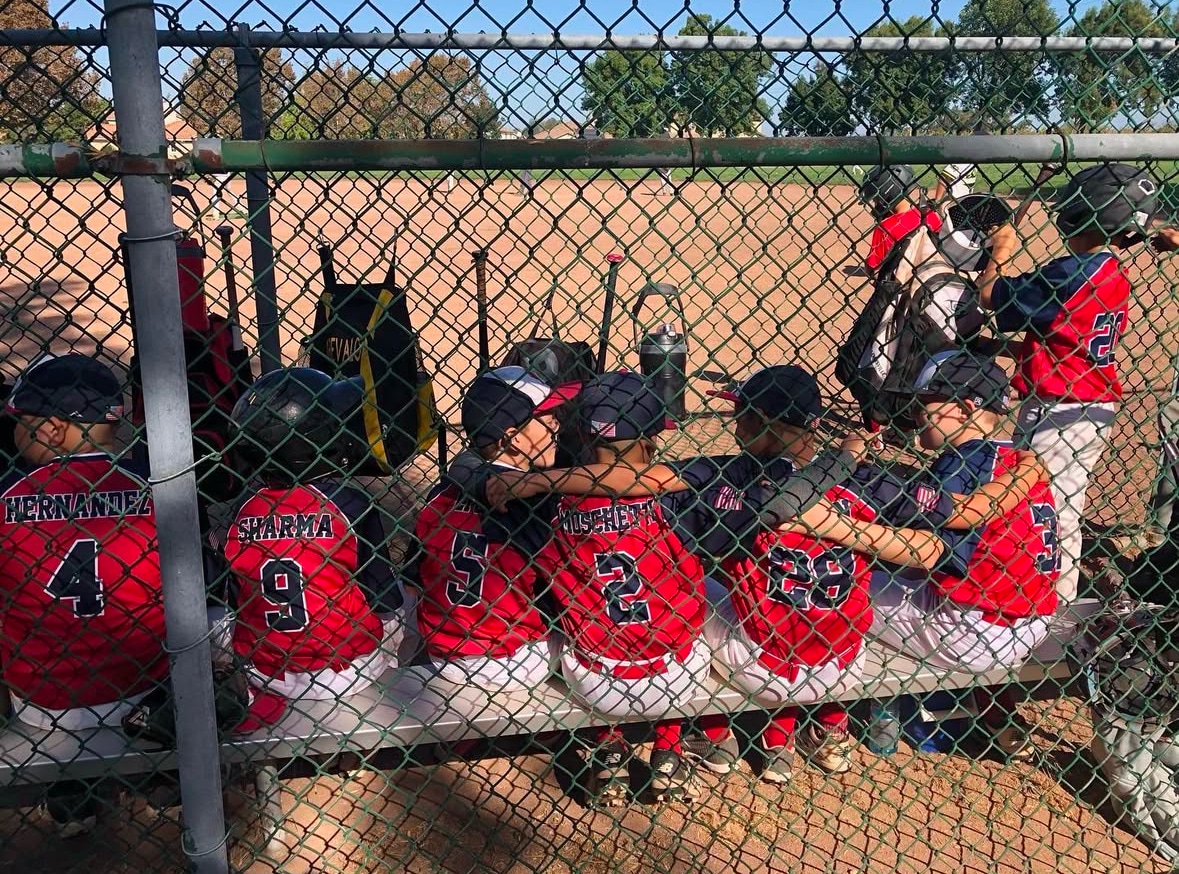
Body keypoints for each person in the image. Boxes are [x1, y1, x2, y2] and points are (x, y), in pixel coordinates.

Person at [491, 364, 1043, 781]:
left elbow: (641, 483)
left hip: (755, 663)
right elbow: (957, 522)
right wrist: (1022, 473)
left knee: (703, 588)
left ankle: (715, 734)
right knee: (855, 589)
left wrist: (540, 481)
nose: (734, 423)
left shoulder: (725, 474)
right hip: (841, 666)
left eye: (739, 415)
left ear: (758, 422)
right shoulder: (874, 478)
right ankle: (826, 729)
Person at [786, 351, 1060, 757]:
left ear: (966, 407)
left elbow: (932, 553)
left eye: (926, 403)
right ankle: (985, 711)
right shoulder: (1014, 456)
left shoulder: (962, 464)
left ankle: (860, 718)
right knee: (888, 580)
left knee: (837, 590)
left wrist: (838, 527)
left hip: (975, 633)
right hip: (1033, 621)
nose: (915, 413)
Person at [0, 354, 168, 836]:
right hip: (143, 686)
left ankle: (73, 800)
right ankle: (169, 781)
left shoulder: (9, 494)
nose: (13, 434)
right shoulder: (152, 485)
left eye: (21, 424)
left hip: (43, 701)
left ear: (52, 430)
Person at [978, 163, 1159, 604]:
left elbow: (989, 296)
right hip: (1083, 402)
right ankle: (1045, 593)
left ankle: (1052, 602)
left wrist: (998, 254)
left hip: (1062, 411)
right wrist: (1006, 352)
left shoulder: (1070, 272)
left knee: (1050, 507)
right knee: (1051, 501)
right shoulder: (1110, 272)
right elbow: (1068, 341)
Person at [529, 371, 712, 805]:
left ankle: (609, 747)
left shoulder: (559, 505)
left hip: (596, 678)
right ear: (652, 441)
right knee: (701, 604)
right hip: (675, 672)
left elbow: (547, 577)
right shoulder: (674, 500)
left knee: (568, 614)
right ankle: (667, 751)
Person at [224, 368, 411, 719]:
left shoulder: (243, 508)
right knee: (406, 597)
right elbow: (384, 597)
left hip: (265, 672)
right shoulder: (350, 503)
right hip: (347, 673)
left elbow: (236, 597)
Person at [408, 365, 579, 690]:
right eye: (544, 418)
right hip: (520, 659)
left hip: (446, 654)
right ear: (512, 440)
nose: (556, 422)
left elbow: (416, 575)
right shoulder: (537, 502)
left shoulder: (442, 491)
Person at [860, 165, 943, 276]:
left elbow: (872, 268)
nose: (875, 204)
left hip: (898, 288)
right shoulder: (930, 214)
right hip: (934, 279)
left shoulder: (886, 227)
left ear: (886, 195)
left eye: (876, 199)